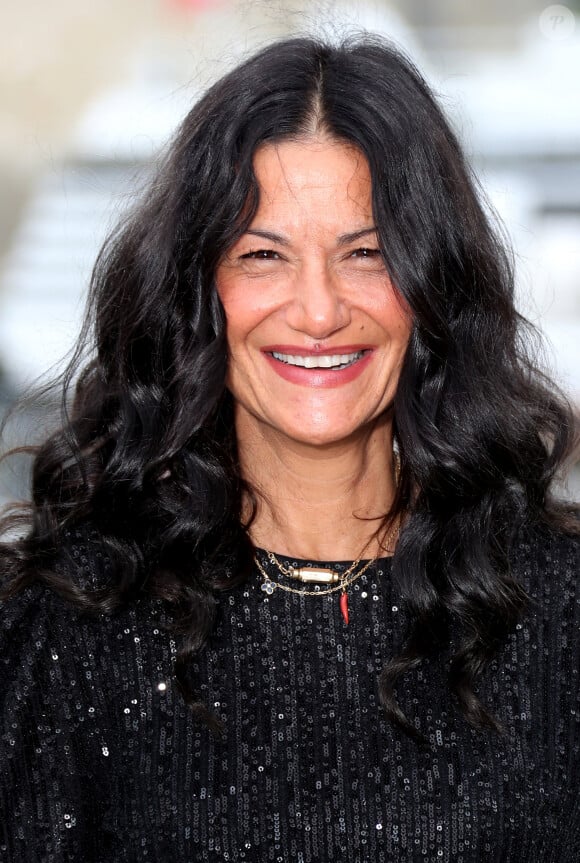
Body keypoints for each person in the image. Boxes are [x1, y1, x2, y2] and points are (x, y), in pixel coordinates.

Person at [0, 34, 579, 863]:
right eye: (263, 256)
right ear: (198, 293)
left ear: (433, 288)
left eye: (366, 254)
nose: (317, 311)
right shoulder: (69, 631)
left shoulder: (557, 609)